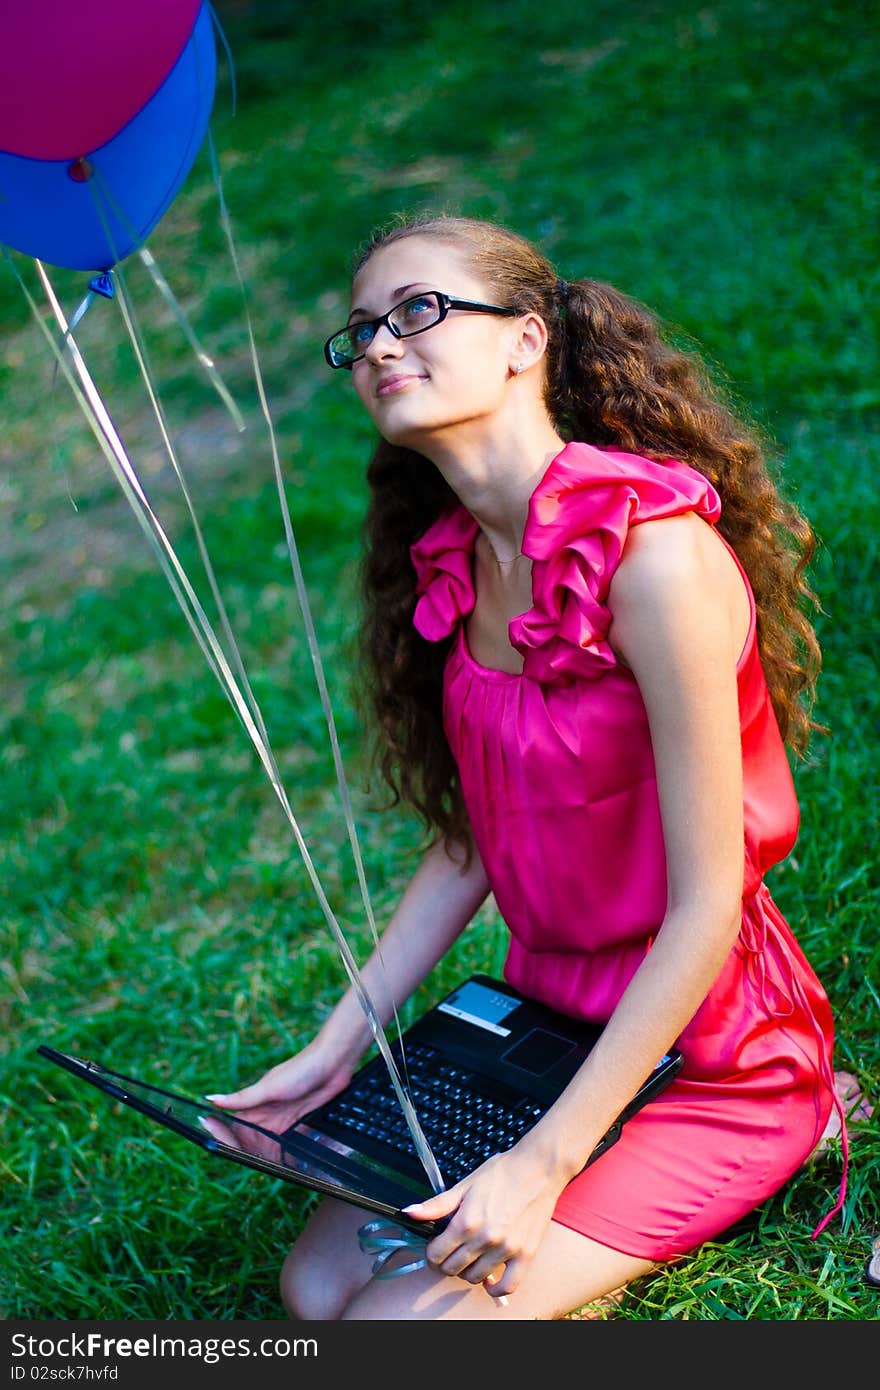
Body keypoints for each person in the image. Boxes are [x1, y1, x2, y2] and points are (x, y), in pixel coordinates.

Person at [207, 213, 849, 1321]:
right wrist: (333, 1049)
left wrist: (541, 1165)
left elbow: (705, 909)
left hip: (702, 1046)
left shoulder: (655, 556)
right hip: (538, 1024)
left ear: (525, 339)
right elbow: (471, 841)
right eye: (359, 331)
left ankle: (794, 1118)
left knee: (387, 1326)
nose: (376, 348)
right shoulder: (454, 564)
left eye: (416, 312)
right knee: (313, 1289)